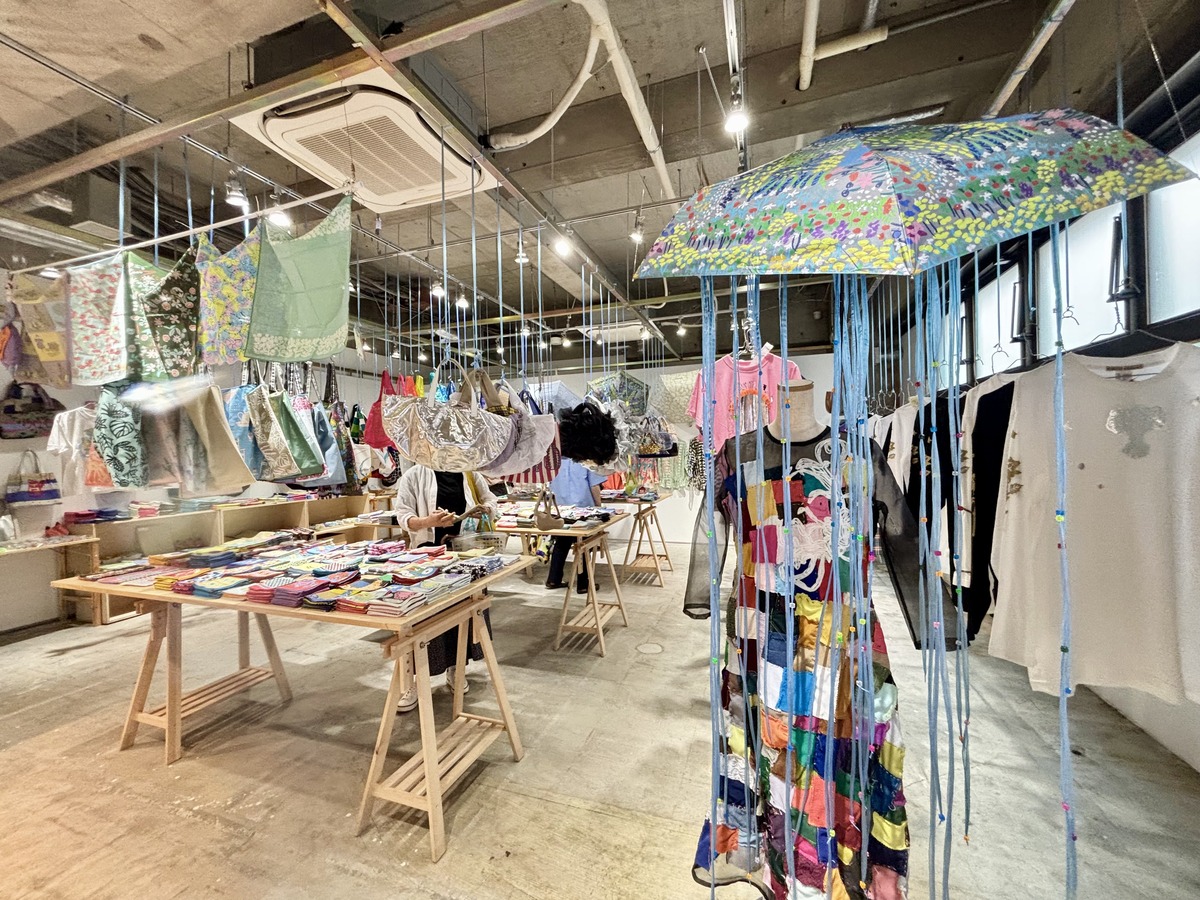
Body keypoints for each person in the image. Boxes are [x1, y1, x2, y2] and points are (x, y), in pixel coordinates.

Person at [392, 464, 499, 712]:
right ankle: (413, 683)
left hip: (466, 553)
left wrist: (485, 510)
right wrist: (427, 521)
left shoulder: (469, 473)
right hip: (427, 556)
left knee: (462, 615)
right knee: (423, 621)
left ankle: (457, 669)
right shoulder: (415, 475)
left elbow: (491, 500)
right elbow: (403, 515)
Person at [544, 457, 606, 593]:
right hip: (583, 509)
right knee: (583, 546)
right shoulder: (586, 459)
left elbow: (550, 486)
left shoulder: (555, 459)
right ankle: (583, 584)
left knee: (561, 543)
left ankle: (553, 579)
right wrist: (599, 508)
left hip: (561, 509)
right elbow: (594, 486)